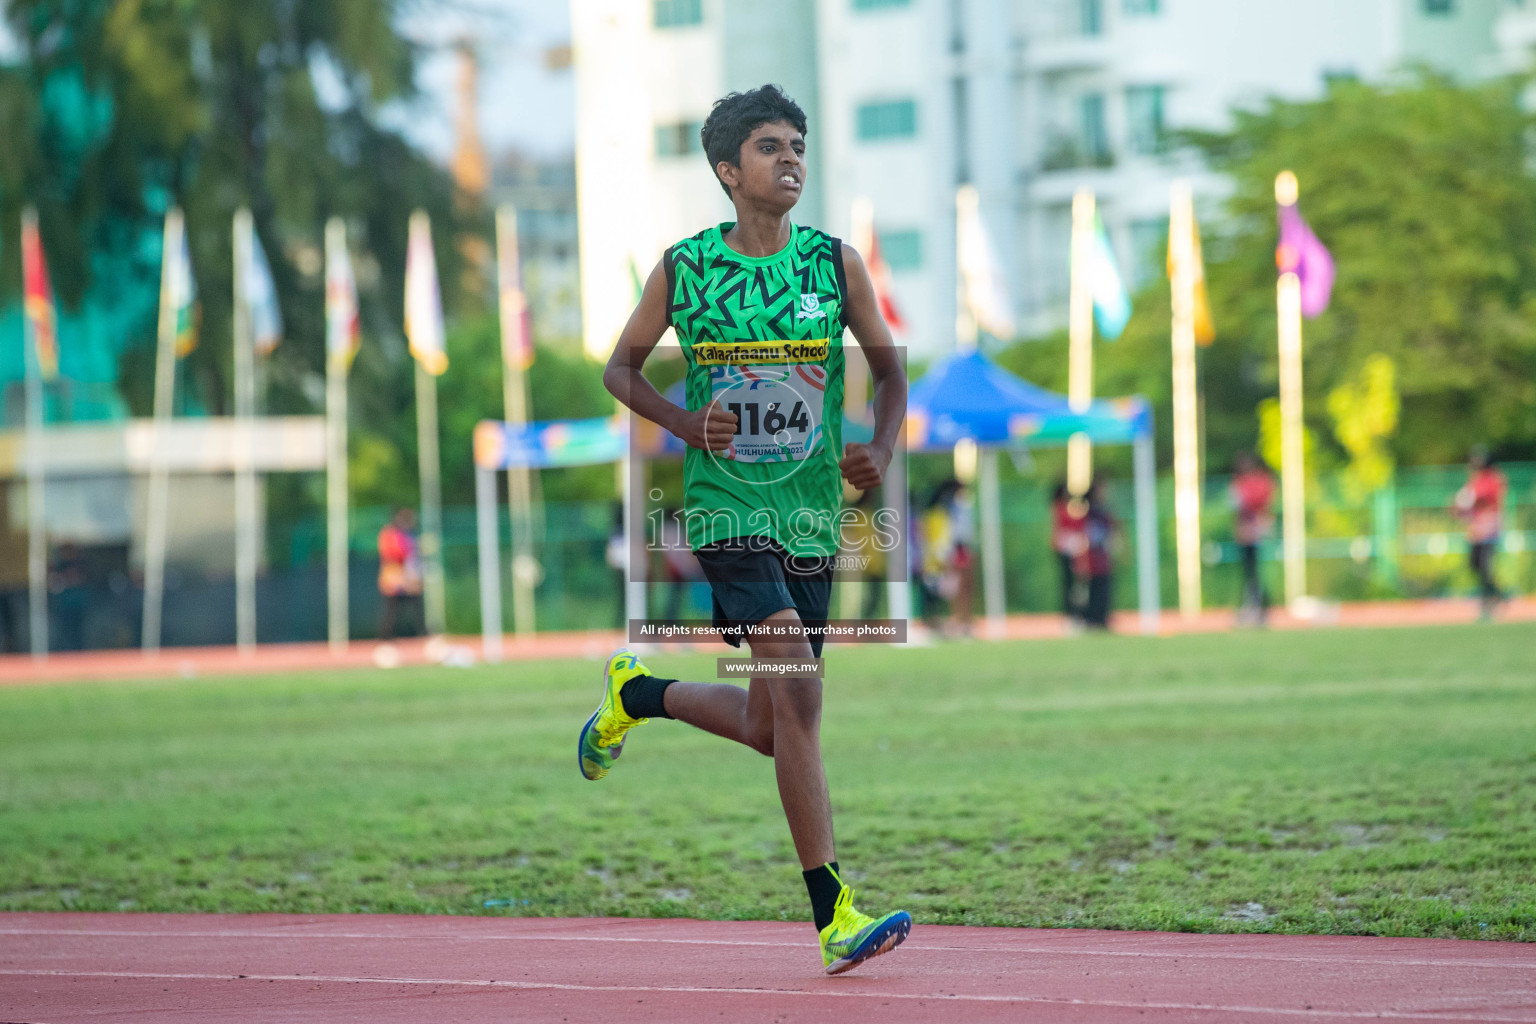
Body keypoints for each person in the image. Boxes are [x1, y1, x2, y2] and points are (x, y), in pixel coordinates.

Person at [586, 85, 911, 975]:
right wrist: (684, 423)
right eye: (771, 147)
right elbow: (620, 367)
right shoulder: (686, 269)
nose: (791, 159)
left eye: (798, 144)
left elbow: (889, 375)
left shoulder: (833, 266)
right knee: (801, 697)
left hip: (812, 517)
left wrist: (879, 445)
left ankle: (638, 696)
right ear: (730, 171)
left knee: (775, 728)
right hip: (728, 512)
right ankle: (834, 913)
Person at [1453, 448, 1508, 620]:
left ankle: (1488, 602)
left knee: (1485, 566)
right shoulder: (1475, 480)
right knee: (1474, 564)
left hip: (1489, 529)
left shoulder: (1494, 478)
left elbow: (1483, 499)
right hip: (1477, 530)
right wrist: (1460, 509)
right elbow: (1465, 502)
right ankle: (1497, 594)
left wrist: (1468, 504)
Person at [1229, 453, 1276, 626]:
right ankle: (1259, 608)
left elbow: (1239, 509)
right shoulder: (1262, 482)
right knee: (1255, 572)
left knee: (1252, 573)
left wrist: (1242, 529)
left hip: (1249, 532)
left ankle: (1257, 608)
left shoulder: (1242, 485)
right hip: (1259, 531)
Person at [376, 508, 424, 641]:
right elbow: (391, 554)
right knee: (391, 608)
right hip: (394, 576)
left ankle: (423, 633)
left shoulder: (408, 535)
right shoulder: (390, 534)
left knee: (416, 604)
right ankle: (386, 637)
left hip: (407, 576)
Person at [1077, 479, 1117, 630]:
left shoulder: (1101, 512)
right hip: (1093, 557)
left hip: (1101, 556)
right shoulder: (1092, 513)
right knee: (1095, 587)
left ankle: (1100, 618)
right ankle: (1093, 618)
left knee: (1102, 587)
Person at [1050, 482, 1087, 631]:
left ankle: (1076, 615)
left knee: (1076, 586)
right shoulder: (1058, 509)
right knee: (1069, 585)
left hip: (1074, 551)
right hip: (1067, 550)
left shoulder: (1067, 509)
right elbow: (1057, 529)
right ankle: (1070, 616)